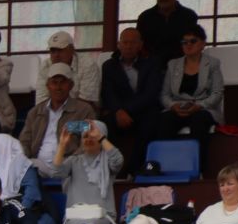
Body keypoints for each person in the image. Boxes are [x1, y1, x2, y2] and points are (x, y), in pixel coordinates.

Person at [40, 119, 125, 224]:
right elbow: (55, 173)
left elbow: (118, 160)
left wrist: (100, 137)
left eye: (93, 137)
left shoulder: (107, 162)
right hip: (75, 216)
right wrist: (62, 145)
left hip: (103, 217)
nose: (88, 139)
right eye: (85, 136)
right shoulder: (74, 161)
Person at [101, 27, 164, 171]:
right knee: (104, 125)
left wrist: (126, 110)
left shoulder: (152, 63)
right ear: (119, 45)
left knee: (153, 121)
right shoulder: (109, 66)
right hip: (118, 110)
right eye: (125, 42)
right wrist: (118, 111)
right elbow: (108, 93)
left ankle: (135, 168)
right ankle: (112, 167)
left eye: (133, 43)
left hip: (143, 109)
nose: (129, 46)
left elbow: (151, 93)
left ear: (140, 45)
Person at [155, 26, 225, 148]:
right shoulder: (173, 64)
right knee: (164, 121)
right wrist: (173, 106)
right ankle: (165, 164)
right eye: (184, 42)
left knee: (199, 121)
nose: (188, 45)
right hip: (178, 108)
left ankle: (197, 164)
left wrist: (199, 106)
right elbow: (164, 94)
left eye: (193, 41)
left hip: (203, 109)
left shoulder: (213, 63)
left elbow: (217, 93)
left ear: (203, 44)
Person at [19, 64, 96, 164]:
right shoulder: (35, 112)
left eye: (63, 82)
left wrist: (71, 163)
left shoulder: (84, 110)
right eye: (54, 83)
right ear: (48, 86)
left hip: (68, 164)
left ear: (71, 85)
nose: (58, 87)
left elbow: (89, 140)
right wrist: (24, 160)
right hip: (36, 164)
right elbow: (24, 142)